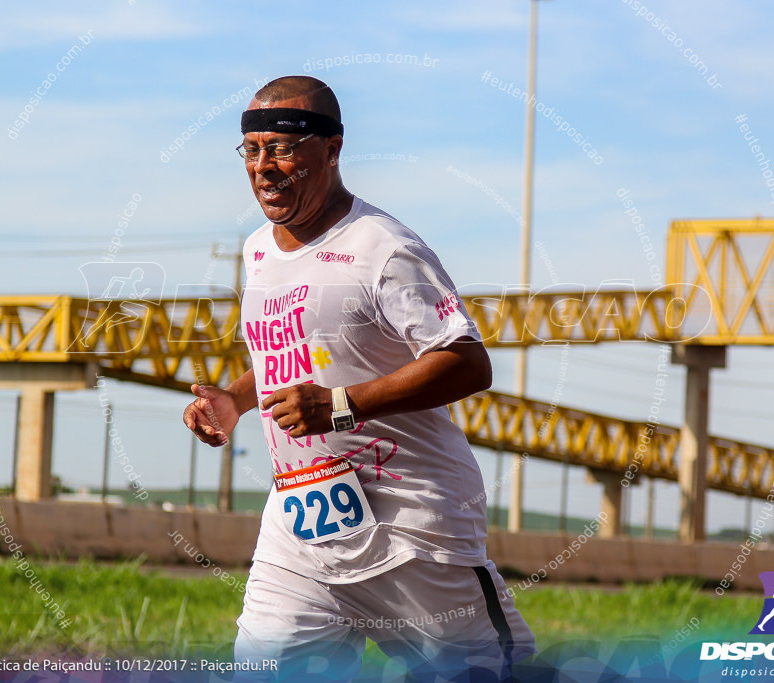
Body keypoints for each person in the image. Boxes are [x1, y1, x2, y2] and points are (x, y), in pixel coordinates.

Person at [183, 75, 535, 681]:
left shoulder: (384, 248)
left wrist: (342, 405)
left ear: (332, 149)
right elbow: (301, 352)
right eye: (253, 150)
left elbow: (468, 360)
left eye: (285, 149)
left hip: (411, 531)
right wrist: (235, 400)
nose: (265, 168)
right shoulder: (258, 250)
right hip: (302, 528)